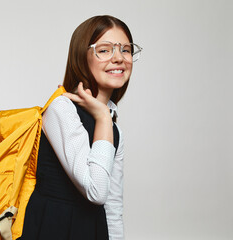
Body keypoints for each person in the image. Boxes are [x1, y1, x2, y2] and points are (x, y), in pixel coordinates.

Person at [18, 15, 142, 240]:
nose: (119, 58)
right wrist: (104, 117)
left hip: (92, 231)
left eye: (126, 50)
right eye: (104, 50)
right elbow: (96, 191)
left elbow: (112, 207)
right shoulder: (61, 108)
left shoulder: (115, 130)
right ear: (81, 57)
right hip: (51, 229)